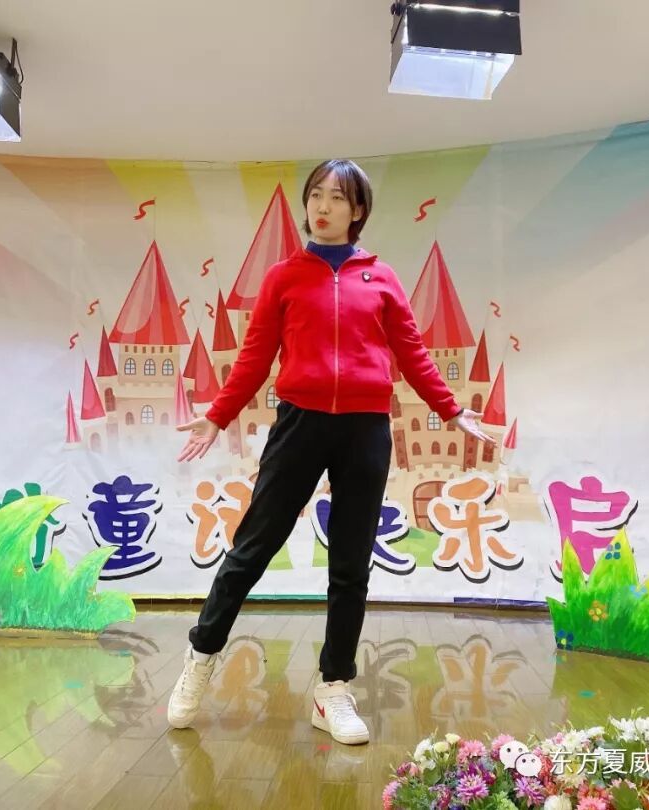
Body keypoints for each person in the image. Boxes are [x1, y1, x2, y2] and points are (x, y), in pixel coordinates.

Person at [169, 159, 492, 744]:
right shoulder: (283, 278)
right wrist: (218, 415)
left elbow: (412, 351)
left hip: (365, 428)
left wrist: (450, 409)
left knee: (350, 565)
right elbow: (255, 356)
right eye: (316, 195)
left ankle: (333, 688)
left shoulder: (381, 278)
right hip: (301, 424)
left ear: (357, 210)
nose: (322, 206)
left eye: (337, 197)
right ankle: (201, 656)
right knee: (251, 549)